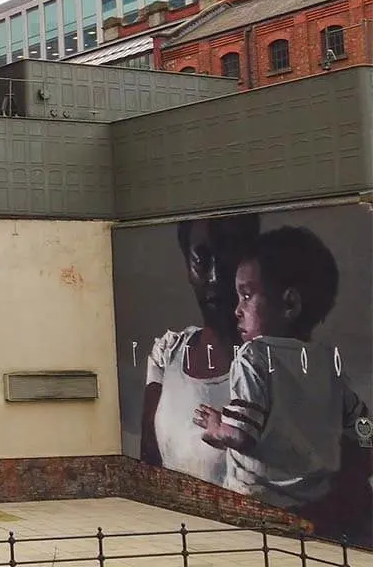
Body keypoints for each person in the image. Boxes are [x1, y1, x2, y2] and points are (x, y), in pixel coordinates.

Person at [193, 226, 372, 539]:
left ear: (289, 304)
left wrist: (215, 425)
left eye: (246, 296)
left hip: (257, 510)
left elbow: (241, 435)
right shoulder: (325, 361)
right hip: (318, 506)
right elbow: (361, 423)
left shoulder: (254, 356)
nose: (237, 309)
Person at [140, 214, 260, 484]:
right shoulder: (167, 353)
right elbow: (148, 457)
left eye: (227, 258)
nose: (216, 277)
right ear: (187, 268)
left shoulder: (268, 366)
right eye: (201, 260)